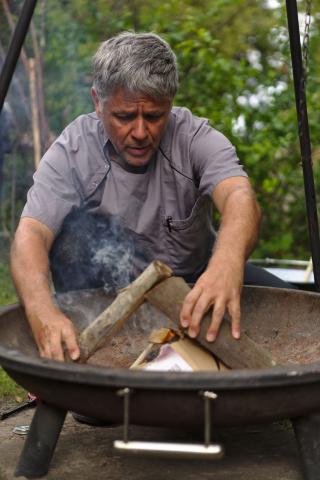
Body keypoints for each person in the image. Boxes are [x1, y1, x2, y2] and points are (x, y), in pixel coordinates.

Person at [10, 32, 286, 363]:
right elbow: (30, 234)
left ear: (169, 104)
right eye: (125, 117)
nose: (141, 133)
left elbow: (240, 197)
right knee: (71, 240)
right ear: (98, 102)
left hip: (195, 282)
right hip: (109, 295)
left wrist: (226, 264)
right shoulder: (73, 150)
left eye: (154, 117)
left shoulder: (194, 137)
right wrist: (43, 312)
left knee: (295, 309)